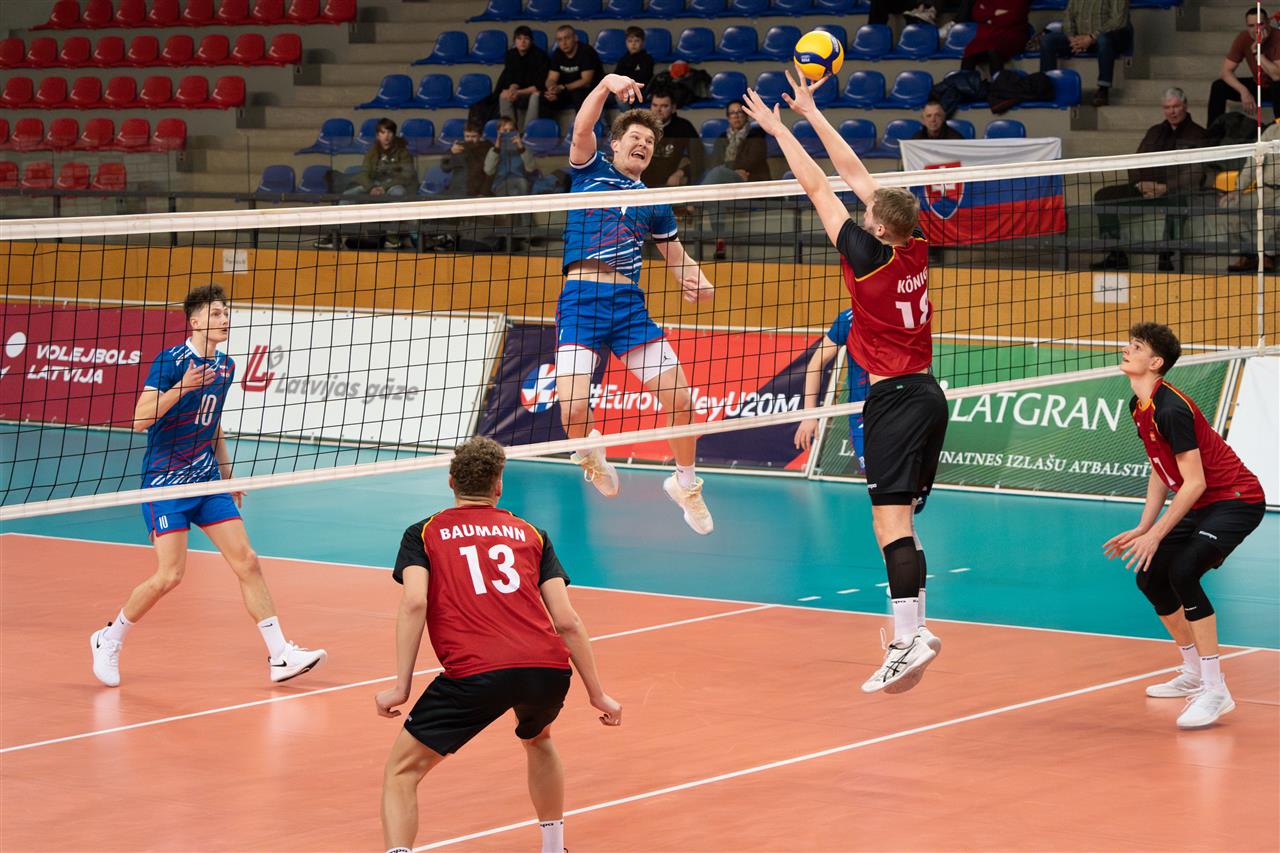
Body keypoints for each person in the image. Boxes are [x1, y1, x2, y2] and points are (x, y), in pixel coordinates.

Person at [742, 73, 947, 694]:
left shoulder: (868, 256)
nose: (862, 211)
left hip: (892, 400)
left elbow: (817, 185)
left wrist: (779, 129)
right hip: (929, 395)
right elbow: (856, 173)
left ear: (879, 228)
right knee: (904, 522)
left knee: (889, 526)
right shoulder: (916, 243)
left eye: (869, 214)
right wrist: (811, 112)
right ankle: (917, 628)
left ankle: (906, 640)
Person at [376, 436, 621, 853]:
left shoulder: (424, 533)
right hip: (545, 670)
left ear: (451, 481)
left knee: (402, 772)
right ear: (499, 485)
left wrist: (401, 686)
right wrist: (598, 694)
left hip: (476, 673)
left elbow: (415, 601)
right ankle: (554, 848)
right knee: (538, 738)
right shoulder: (532, 534)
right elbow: (566, 620)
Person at [89, 284, 326, 688]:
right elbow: (140, 419)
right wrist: (184, 385)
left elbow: (212, 422)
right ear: (195, 321)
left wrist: (228, 477)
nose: (225, 319)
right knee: (170, 576)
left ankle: (280, 655)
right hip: (165, 484)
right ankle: (108, 639)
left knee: (247, 560)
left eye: (226, 313)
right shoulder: (170, 361)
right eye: (216, 314)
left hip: (206, 480)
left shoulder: (226, 366)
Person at [556, 73, 717, 535]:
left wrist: (698, 280)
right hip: (581, 303)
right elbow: (581, 128)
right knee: (573, 412)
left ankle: (685, 484)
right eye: (635, 137)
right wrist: (605, 84)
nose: (643, 144)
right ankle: (591, 455)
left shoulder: (655, 202)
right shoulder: (589, 171)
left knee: (680, 400)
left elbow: (676, 257)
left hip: (628, 308)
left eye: (649, 141)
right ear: (615, 144)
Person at [1103, 323, 1266, 729]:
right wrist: (1145, 527)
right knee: (1149, 576)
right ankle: (1193, 672)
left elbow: (1194, 483)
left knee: (1183, 571)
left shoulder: (1171, 408)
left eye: (1136, 346)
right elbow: (1161, 468)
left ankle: (1215, 689)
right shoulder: (1139, 405)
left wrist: (1158, 534)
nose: (1127, 349)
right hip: (1204, 503)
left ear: (1155, 362)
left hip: (1236, 500)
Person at [1089, 88, 1210, 271]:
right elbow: (1137, 161)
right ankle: (1116, 254)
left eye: (1176, 106)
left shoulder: (1198, 134)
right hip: (1144, 190)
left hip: (1175, 193)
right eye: (1167, 107)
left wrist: (1165, 187)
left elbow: (1196, 172)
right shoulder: (1154, 131)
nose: (1172, 112)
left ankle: (1166, 256)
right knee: (1103, 196)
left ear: (1185, 106)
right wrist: (1140, 184)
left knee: (1179, 202)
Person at [315, 118, 417, 249]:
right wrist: (371, 187)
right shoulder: (372, 151)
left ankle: (392, 237)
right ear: (378, 135)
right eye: (383, 132)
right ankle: (335, 237)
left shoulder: (403, 152)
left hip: (393, 185)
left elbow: (406, 175)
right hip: (373, 184)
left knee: (399, 193)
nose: (386, 136)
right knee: (346, 197)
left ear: (394, 134)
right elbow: (364, 173)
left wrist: (384, 187)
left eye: (389, 132)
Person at [793, 308, 870, 475]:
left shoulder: (900, 314)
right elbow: (816, 363)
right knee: (877, 478)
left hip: (897, 410)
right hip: (862, 415)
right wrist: (809, 414)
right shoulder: (849, 319)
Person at [1036, 0, 1133, 107]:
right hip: (1080, 37)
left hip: (1109, 36)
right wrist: (1072, 38)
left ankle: (1103, 90)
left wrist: (1091, 37)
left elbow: (1118, 21)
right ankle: (1046, 86)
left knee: (1104, 40)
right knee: (1047, 40)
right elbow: (1068, 14)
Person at [1219, 117, 1280, 273]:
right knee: (1229, 205)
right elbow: (1253, 162)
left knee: (1274, 215)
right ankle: (1247, 254)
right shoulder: (1272, 130)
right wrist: (1238, 189)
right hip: (1265, 190)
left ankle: (1268, 256)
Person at [1207, 7, 1280, 126]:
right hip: (1259, 84)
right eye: (1251, 26)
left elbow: (1276, 76)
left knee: (1278, 86)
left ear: (1268, 22)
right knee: (1218, 86)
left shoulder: (1278, 37)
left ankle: (1279, 129)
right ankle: (1213, 132)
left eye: (1260, 24)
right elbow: (1225, 72)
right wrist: (1243, 91)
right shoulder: (1244, 38)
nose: (1256, 30)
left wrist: (1257, 51)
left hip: (1276, 85)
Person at [531, 26, 603, 123]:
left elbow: (586, 81)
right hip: (566, 90)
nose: (564, 43)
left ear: (575, 38)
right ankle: (546, 129)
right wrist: (551, 88)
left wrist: (562, 87)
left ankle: (584, 127)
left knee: (578, 94)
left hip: (588, 90)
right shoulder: (558, 54)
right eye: (560, 40)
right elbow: (551, 78)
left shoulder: (587, 52)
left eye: (567, 38)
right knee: (545, 96)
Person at [641, 87, 702, 187]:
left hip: (672, 181)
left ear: (673, 108)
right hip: (644, 181)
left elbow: (699, 158)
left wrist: (681, 172)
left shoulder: (684, 127)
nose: (658, 110)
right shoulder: (642, 126)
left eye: (664, 106)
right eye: (655, 105)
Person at [492, 25, 550, 125]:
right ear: (514, 41)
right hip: (519, 91)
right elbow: (510, 77)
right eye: (519, 38)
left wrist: (518, 92)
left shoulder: (541, 56)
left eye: (526, 38)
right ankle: (509, 129)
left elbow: (538, 86)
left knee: (535, 96)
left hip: (533, 91)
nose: (522, 42)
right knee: (504, 95)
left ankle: (528, 130)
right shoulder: (510, 54)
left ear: (531, 41)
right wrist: (512, 89)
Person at [961, 0, 1031, 77]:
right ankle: (963, 82)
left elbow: (1014, 16)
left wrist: (989, 18)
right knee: (970, 50)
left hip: (1012, 34)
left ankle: (998, 82)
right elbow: (977, 13)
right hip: (987, 35)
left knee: (994, 49)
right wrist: (995, 12)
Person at [484, 116, 537, 196]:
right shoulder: (494, 150)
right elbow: (488, 171)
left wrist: (521, 148)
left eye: (511, 130)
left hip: (520, 180)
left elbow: (531, 168)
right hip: (501, 182)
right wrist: (497, 149)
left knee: (521, 185)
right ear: (498, 132)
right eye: (505, 131)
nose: (508, 133)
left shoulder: (523, 148)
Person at [440, 120, 493, 198]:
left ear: (480, 136)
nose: (470, 139)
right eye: (467, 136)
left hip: (479, 192)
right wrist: (451, 152)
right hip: (458, 191)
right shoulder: (458, 147)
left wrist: (484, 192)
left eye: (474, 136)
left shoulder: (487, 148)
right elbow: (445, 168)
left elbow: (491, 174)